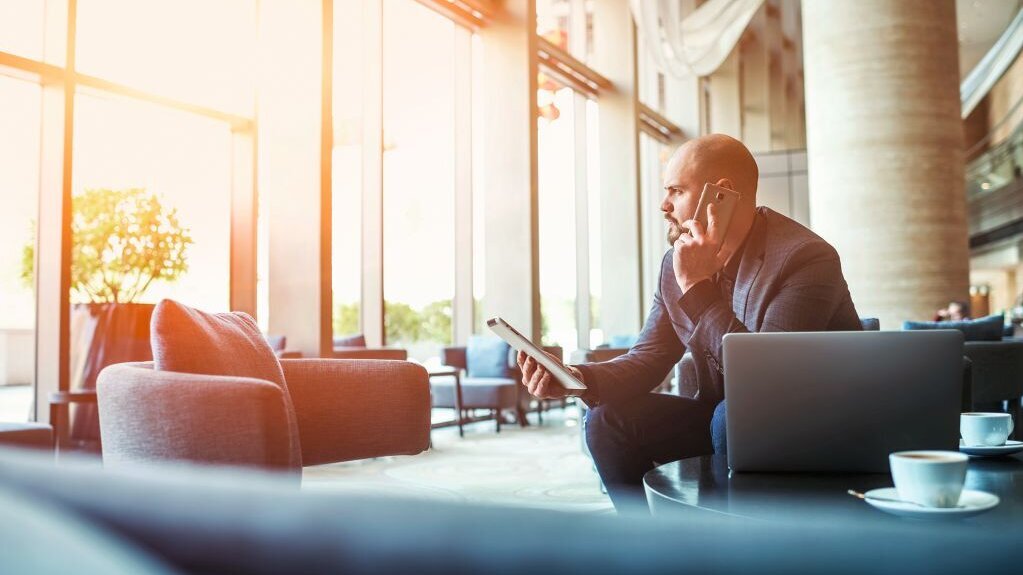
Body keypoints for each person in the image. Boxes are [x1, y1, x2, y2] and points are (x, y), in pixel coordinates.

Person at [517, 134, 862, 513]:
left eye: (676, 191)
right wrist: (574, 379)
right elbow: (649, 357)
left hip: (804, 425)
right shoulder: (676, 263)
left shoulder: (805, 258)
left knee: (727, 418)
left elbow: (769, 382)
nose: (664, 205)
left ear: (721, 194)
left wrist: (698, 288)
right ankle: (652, 548)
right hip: (726, 422)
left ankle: (741, 552)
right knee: (606, 420)